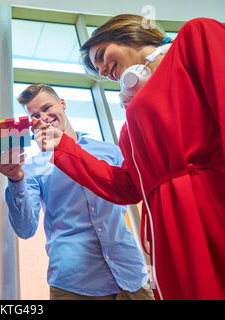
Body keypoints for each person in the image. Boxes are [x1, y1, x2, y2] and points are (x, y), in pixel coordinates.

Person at [34, 15, 225, 300]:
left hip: (211, 204)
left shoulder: (194, 38)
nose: (104, 70)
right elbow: (124, 187)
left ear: (125, 32)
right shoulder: (129, 129)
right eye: (99, 70)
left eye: (101, 55)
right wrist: (64, 148)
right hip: (167, 232)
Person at [0, 84, 153, 300]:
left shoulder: (109, 151)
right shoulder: (32, 168)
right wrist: (16, 179)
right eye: (35, 115)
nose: (43, 118)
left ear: (62, 103)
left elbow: (132, 193)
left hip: (131, 274)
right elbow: (25, 229)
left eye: (47, 107)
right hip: (74, 283)